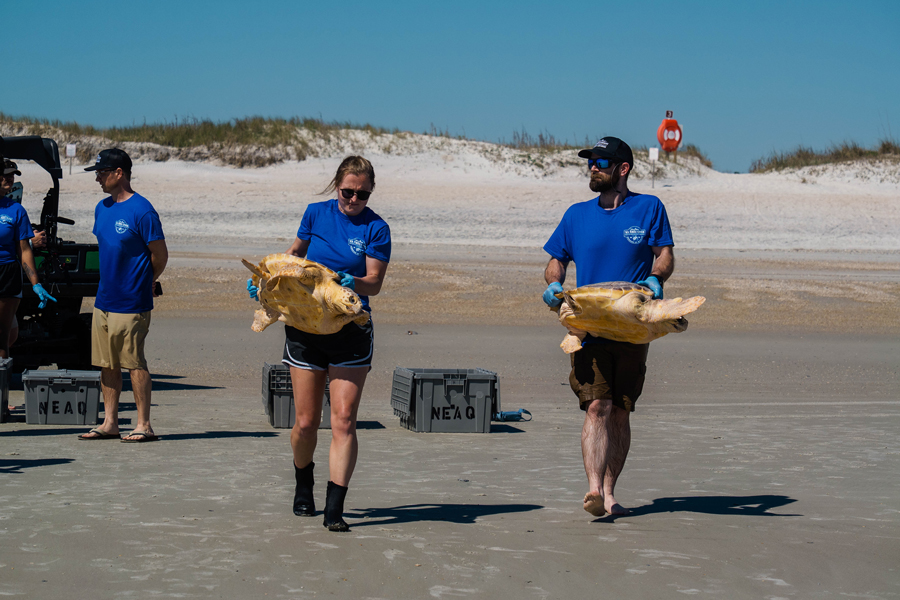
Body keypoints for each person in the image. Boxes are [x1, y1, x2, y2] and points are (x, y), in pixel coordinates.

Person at [248, 156, 390, 532]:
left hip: (351, 329)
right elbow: (292, 258)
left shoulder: (377, 228)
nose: (353, 200)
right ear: (336, 186)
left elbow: (374, 282)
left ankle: (335, 506)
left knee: (343, 420)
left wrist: (352, 281)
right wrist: (266, 283)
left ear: (370, 191)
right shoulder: (315, 213)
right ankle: (303, 482)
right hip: (305, 327)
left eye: (362, 194)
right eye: (347, 192)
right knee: (307, 422)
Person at [542, 136, 674, 517]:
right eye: (590, 162)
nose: (593, 167)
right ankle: (593, 489)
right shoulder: (576, 215)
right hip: (590, 325)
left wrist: (655, 280)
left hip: (632, 327)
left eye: (601, 162)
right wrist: (553, 283)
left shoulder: (649, 208)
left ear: (623, 169)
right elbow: (556, 260)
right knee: (597, 405)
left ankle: (611, 492)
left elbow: (664, 255)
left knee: (620, 409)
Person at [78, 149, 168, 443]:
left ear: (119, 173)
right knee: (107, 362)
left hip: (131, 301)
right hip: (104, 299)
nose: (97, 178)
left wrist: (147, 280)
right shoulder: (101, 208)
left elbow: (160, 255)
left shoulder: (142, 210)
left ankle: (144, 424)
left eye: (102, 172)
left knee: (134, 362)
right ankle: (110, 422)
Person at [0, 157, 56, 362]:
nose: (10, 178)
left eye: (12, 175)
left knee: (3, 337)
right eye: (5, 174)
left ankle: (0, 391)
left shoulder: (15, 210)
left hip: (7, 274)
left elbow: (24, 249)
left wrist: (36, 284)